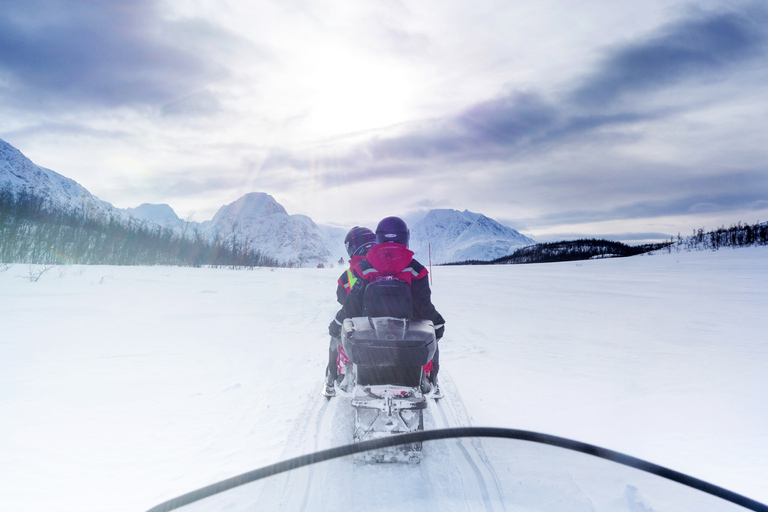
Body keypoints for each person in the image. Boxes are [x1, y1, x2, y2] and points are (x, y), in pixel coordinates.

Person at [329, 216, 445, 395]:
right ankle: (430, 379)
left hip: (370, 334)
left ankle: (338, 376)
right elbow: (424, 306)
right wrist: (438, 324)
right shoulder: (416, 270)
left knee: (341, 331)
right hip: (407, 336)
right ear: (405, 238)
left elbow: (353, 302)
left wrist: (337, 322)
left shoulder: (365, 267)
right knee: (433, 334)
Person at [323, 226, 377, 396]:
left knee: (334, 337)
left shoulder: (347, 275)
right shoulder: (385, 267)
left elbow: (341, 298)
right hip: (388, 325)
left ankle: (331, 380)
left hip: (357, 327)